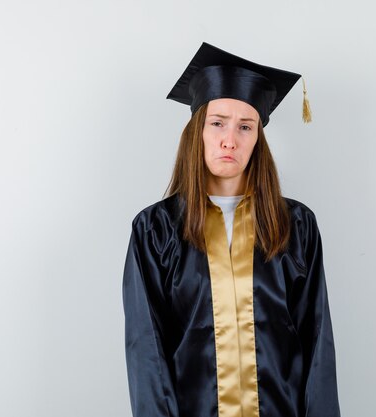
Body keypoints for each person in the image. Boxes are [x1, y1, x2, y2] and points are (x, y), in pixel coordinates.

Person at [122, 42, 341, 417]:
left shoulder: (295, 226)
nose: (230, 139)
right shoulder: (155, 229)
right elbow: (147, 350)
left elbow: (317, 341)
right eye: (218, 122)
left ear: (258, 138)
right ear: (198, 131)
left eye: (245, 126)